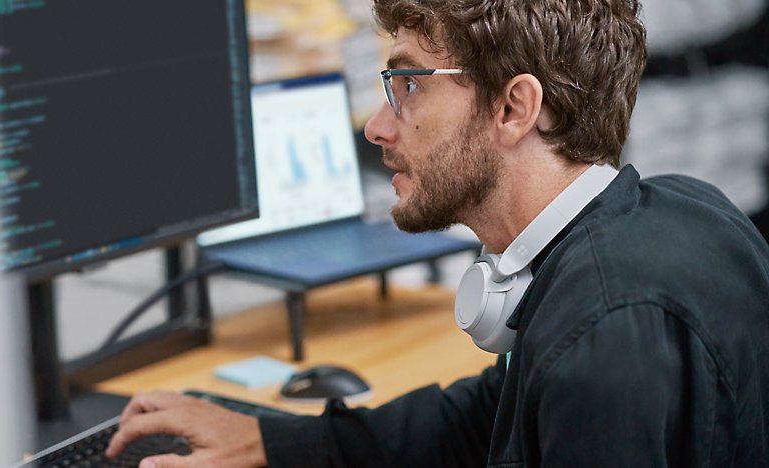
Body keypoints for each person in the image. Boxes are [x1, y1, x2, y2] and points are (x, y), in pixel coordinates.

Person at [106, 0, 769, 466]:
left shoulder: (602, 332)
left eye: (408, 85)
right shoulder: (686, 210)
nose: (378, 125)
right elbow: (490, 415)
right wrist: (273, 443)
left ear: (514, 108)